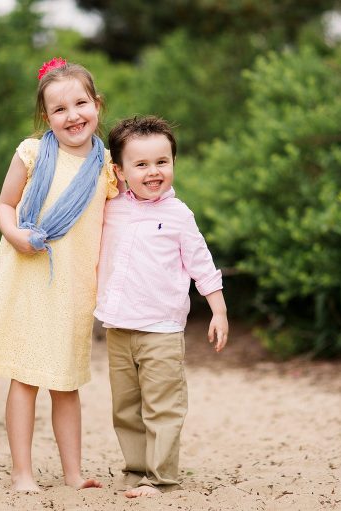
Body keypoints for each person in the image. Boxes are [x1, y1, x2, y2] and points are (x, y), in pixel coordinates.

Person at [0, 58, 118, 492]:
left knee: (67, 382)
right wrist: (16, 234)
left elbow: (117, 224)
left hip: (74, 288)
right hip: (30, 279)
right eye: (60, 110)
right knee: (25, 378)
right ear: (46, 117)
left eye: (81, 103)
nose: (72, 115)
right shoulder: (33, 153)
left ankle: (73, 473)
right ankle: (22, 473)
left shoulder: (108, 166)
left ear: (97, 105)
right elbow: (4, 205)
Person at [95, 115, 229, 498]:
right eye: (141, 164)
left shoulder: (178, 215)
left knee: (162, 409)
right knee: (125, 408)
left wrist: (218, 310)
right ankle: (135, 470)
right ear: (119, 170)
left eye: (162, 162)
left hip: (162, 330)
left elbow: (201, 264)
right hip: (119, 328)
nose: (153, 172)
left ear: (173, 163)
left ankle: (161, 477)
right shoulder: (109, 208)